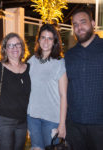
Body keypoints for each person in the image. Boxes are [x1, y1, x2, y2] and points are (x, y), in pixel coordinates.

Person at [65, 8, 103, 150]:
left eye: (83, 22)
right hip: (74, 126)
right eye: (75, 24)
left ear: (93, 23)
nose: (79, 27)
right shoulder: (69, 55)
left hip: (100, 126)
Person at [0, 32, 31, 150]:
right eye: (10, 45)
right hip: (3, 121)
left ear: (22, 47)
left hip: (22, 122)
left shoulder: (29, 68)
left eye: (17, 44)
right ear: (4, 49)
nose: (14, 48)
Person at [27, 24, 68, 150]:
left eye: (50, 38)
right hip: (32, 117)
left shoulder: (60, 63)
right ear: (38, 40)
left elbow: (63, 96)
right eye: (43, 37)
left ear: (55, 41)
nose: (46, 41)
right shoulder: (32, 60)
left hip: (52, 118)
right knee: (36, 148)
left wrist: (62, 124)